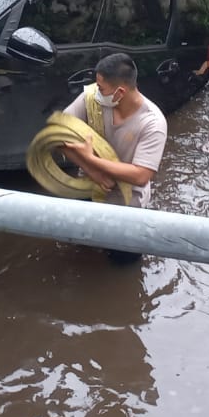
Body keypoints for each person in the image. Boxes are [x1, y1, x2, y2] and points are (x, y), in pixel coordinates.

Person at [58, 53, 168, 265]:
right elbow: (58, 132)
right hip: (88, 191)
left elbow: (141, 175)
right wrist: (92, 171)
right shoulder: (92, 100)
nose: (96, 91)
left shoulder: (153, 123)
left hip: (126, 206)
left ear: (120, 92)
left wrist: (90, 159)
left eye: (101, 88)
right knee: (80, 248)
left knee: (123, 261)